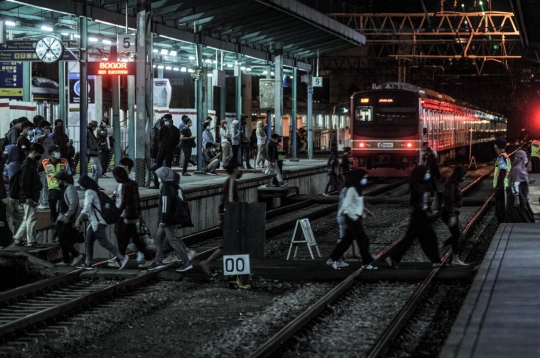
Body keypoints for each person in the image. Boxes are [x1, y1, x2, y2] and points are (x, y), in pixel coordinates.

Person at [385, 165, 442, 268]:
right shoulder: (417, 186)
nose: (428, 175)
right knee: (429, 238)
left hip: (420, 214)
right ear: (421, 174)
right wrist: (424, 209)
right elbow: (415, 201)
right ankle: (435, 260)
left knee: (410, 239)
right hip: (419, 215)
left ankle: (393, 258)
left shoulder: (422, 184)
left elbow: (426, 200)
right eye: (426, 173)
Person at [326, 169, 378, 270]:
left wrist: (365, 212)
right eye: (364, 178)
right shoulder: (351, 189)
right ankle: (366, 263)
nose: (365, 180)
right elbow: (346, 205)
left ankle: (332, 260)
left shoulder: (357, 188)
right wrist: (353, 217)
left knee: (347, 240)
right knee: (362, 240)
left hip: (354, 217)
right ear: (358, 178)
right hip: (351, 218)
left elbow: (356, 204)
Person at [75, 175, 128, 270]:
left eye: (81, 184)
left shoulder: (89, 192)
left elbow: (87, 207)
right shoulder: (94, 191)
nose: (80, 186)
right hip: (94, 222)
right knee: (89, 241)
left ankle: (121, 257)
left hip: (98, 223)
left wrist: (78, 219)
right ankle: (88, 263)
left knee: (104, 242)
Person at [146, 167, 193, 272]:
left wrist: (163, 220)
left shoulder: (165, 187)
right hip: (168, 219)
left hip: (168, 220)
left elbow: (165, 205)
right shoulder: (171, 186)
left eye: (159, 175)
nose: (157, 177)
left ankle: (186, 262)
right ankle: (158, 261)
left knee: (173, 240)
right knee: (159, 239)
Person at [201, 161, 243, 276]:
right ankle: (208, 262)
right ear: (234, 169)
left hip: (230, 218)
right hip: (230, 219)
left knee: (231, 244)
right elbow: (229, 202)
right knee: (229, 244)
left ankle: (232, 269)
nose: (241, 170)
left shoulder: (231, 182)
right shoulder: (230, 182)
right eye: (239, 168)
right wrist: (229, 218)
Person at [111, 166, 154, 268]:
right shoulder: (133, 183)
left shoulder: (126, 186)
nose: (115, 179)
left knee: (125, 237)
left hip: (129, 215)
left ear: (119, 176)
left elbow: (125, 201)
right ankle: (146, 258)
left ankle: (121, 259)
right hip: (134, 214)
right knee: (134, 238)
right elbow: (137, 200)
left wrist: (118, 212)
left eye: (116, 177)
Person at [12, 143, 44, 247]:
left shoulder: (31, 164)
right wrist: (27, 197)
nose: (40, 156)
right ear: (34, 153)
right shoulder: (27, 165)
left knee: (27, 218)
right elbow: (24, 183)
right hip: (29, 197)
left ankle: (17, 238)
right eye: (39, 154)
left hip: (31, 195)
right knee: (32, 218)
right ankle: (31, 241)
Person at [54, 171, 83, 266]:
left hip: (69, 219)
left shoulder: (70, 189)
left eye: (58, 181)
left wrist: (67, 216)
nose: (57, 183)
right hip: (64, 218)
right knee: (63, 239)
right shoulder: (66, 189)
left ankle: (76, 255)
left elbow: (73, 204)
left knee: (62, 239)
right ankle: (66, 260)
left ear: (63, 180)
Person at [440, 166, 468, 266]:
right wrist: (452, 215)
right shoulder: (451, 184)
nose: (464, 177)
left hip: (451, 212)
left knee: (458, 233)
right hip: (449, 212)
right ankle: (455, 259)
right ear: (459, 175)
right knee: (457, 234)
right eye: (464, 175)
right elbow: (449, 199)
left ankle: (442, 246)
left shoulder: (453, 183)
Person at [40, 145, 71, 222]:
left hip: (64, 188)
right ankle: (53, 217)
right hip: (53, 188)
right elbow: (37, 170)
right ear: (51, 154)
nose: (58, 153)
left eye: (58, 151)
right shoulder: (45, 163)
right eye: (56, 151)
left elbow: (70, 173)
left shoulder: (64, 161)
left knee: (64, 206)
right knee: (52, 200)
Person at [506, 150, 534, 223]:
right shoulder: (517, 169)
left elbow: (520, 180)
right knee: (520, 214)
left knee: (523, 212)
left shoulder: (521, 168)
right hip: (519, 196)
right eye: (525, 158)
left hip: (522, 195)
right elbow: (514, 184)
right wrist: (517, 198)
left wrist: (528, 180)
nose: (526, 159)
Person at [2, 145, 23, 234]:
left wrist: (11, 195)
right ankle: (20, 236)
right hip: (13, 195)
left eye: (7, 151)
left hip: (10, 196)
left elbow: (13, 182)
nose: (5, 153)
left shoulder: (11, 166)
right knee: (18, 218)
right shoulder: (15, 164)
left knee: (7, 217)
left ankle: (9, 237)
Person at [493, 137, 511, 223]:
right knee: (500, 206)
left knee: (501, 207)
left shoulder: (502, 157)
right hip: (503, 184)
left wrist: (499, 186)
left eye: (495, 146)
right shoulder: (504, 156)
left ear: (497, 147)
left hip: (502, 185)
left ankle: (502, 222)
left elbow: (503, 171)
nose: (495, 148)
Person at [86, 120, 103, 189]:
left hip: (94, 153)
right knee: (99, 170)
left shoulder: (90, 132)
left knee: (94, 170)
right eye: (94, 127)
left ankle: (93, 184)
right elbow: (90, 143)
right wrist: (95, 148)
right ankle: (94, 184)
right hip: (93, 153)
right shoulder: (88, 132)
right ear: (91, 126)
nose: (95, 128)